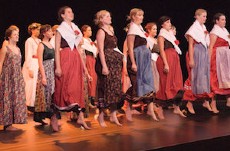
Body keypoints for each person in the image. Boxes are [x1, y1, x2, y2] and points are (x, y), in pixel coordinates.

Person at [54, 6, 91, 130]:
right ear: (63, 15)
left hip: (75, 57)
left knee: (76, 88)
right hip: (65, 57)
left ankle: (80, 116)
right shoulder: (60, 29)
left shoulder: (75, 28)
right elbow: (56, 49)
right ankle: (54, 116)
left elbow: (77, 49)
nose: (72, 13)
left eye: (72, 11)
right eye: (68, 12)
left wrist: (85, 69)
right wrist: (58, 66)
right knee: (63, 88)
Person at [126, 8, 158, 121]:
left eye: (142, 15)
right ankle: (128, 109)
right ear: (133, 16)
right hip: (136, 59)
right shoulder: (132, 29)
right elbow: (130, 48)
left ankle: (150, 110)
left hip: (144, 59)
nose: (142, 17)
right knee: (136, 85)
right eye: (139, 15)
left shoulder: (139, 29)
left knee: (147, 83)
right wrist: (133, 63)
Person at [95, 10, 124, 126]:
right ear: (101, 19)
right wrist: (104, 66)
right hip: (106, 62)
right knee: (105, 89)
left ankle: (113, 115)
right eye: (107, 16)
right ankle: (101, 117)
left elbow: (115, 47)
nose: (110, 17)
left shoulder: (111, 30)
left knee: (115, 89)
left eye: (109, 15)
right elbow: (100, 50)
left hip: (115, 64)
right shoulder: (101, 32)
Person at [184, 9, 213, 114]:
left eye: (206, 16)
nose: (205, 18)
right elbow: (191, 45)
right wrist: (191, 59)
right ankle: (189, 103)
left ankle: (205, 101)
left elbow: (206, 42)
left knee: (204, 77)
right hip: (196, 53)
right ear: (197, 16)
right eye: (203, 16)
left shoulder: (203, 27)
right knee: (194, 77)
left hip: (203, 53)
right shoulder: (193, 29)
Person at [156, 16, 186, 118]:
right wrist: (166, 64)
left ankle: (177, 108)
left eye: (170, 22)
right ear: (162, 24)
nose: (169, 24)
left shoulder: (170, 35)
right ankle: (159, 109)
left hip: (174, 59)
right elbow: (161, 50)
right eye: (167, 22)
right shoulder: (161, 36)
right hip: (166, 60)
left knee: (177, 82)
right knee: (165, 84)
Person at [0, 25, 27, 131]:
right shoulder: (5, 48)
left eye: (18, 34)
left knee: (15, 99)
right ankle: (7, 124)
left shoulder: (18, 49)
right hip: (7, 77)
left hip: (17, 77)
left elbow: (19, 64)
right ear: (9, 37)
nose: (17, 36)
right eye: (15, 35)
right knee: (7, 99)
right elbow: (1, 63)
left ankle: (11, 122)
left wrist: (21, 77)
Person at [33, 24, 59, 131]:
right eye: (48, 31)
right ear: (44, 33)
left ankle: (53, 117)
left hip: (52, 70)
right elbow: (40, 62)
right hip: (45, 71)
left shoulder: (51, 45)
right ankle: (46, 116)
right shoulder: (41, 45)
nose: (51, 33)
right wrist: (43, 76)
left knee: (52, 93)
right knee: (45, 94)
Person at [209, 13, 230, 112]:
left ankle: (228, 99)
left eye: (225, 19)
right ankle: (213, 104)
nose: (224, 21)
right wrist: (208, 60)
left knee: (227, 78)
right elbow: (211, 47)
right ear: (217, 21)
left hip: (225, 58)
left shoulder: (224, 30)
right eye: (222, 20)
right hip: (216, 58)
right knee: (215, 80)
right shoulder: (214, 32)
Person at [22, 22, 41, 112]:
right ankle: (29, 104)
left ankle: (36, 103)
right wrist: (29, 68)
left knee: (37, 84)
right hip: (32, 62)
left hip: (38, 62)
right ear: (32, 30)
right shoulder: (29, 41)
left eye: (39, 29)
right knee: (31, 83)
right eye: (37, 29)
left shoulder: (39, 41)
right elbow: (28, 54)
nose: (38, 31)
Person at [81, 25, 98, 108]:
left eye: (90, 30)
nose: (90, 32)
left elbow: (95, 50)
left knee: (94, 78)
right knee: (89, 77)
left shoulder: (90, 40)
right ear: (84, 32)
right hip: (87, 59)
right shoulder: (83, 40)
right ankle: (88, 99)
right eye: (88, 30)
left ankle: (92, 98)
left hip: (93, 59)